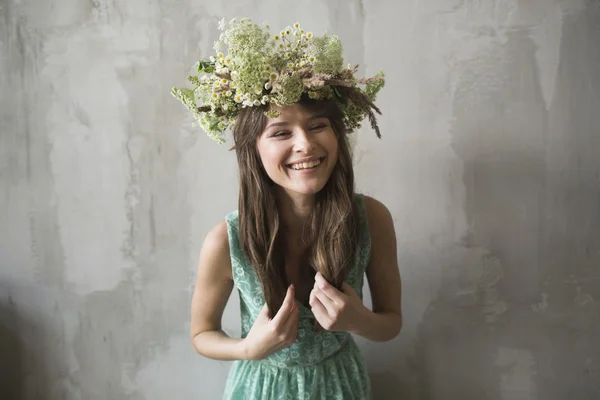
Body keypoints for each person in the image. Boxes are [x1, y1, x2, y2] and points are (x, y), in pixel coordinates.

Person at [172, 18, 403, 400]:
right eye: (281, 132)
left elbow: (391, 322)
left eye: (317, 126)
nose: (305, 145)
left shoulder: (372, 219)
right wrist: (249, 348)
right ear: (253, 150)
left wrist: (359, 321)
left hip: (341, 386)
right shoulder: (226, 240)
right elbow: (202, 334)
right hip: (260, 388)